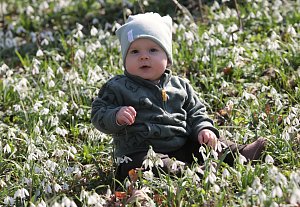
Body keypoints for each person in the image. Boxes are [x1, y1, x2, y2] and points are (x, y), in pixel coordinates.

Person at [91, 12, 266, 181]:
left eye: (153, 50)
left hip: (182, 145)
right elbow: (98, 113)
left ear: (167, 57)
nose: (144, 56)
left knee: (212, 143)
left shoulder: (180, 86)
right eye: (134, 52)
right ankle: (191, 174)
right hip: (139, 152)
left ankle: (240, 153)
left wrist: (203, 129)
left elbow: (196, 112)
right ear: (125, 59)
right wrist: (115, 116)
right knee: (145, 166)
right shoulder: (117, 87)